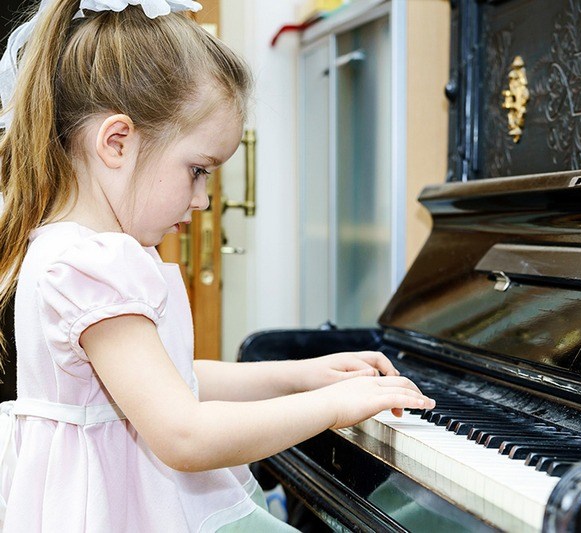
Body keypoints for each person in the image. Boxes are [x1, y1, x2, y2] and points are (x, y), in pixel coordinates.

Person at [0, 0, 436, 531]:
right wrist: (334, 407)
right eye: (198, 170)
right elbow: (184, 433)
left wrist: (301, 376)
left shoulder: (78, 250)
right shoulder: (91, 263)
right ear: (117, 142)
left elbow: (176, 378)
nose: (203, 199)